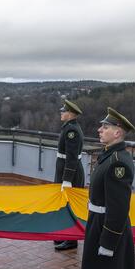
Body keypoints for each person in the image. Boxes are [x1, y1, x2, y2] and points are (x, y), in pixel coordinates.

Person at [81, 107, 135, 269]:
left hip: (109, 227)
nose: (99, 130)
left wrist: (108, 241)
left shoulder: (117, 163)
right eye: (101, 126)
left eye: (105, 127)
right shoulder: (108, 155)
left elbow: (118, 209)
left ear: (118, 132)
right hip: (98, 221)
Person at [54, 99, 85, 251]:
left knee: (70, 206)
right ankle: (65, 235)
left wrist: (67, 180)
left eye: (64, 111)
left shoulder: (72, 131)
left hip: (70, 173)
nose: (61, 113)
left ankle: (71, 240)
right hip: (65, 170)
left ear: (71, 114)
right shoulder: (68, 127)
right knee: (64, 204)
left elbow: (71, 158)